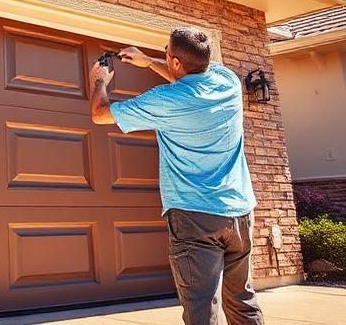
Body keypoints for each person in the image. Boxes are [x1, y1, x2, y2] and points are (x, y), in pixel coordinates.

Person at [89, 27, 264, 325]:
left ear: (176, 62)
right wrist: (149, 61)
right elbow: (189, 78)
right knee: (242, 301)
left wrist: (99, 81)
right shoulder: (228, 81)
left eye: (167, 53)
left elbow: (100, 113)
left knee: (201, 310)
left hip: (194, 217)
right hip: (240, 212)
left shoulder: (166, 100)